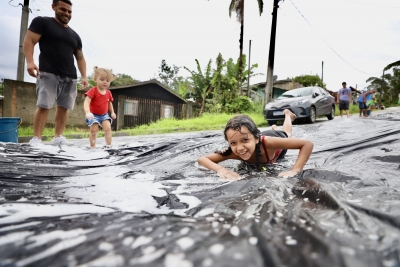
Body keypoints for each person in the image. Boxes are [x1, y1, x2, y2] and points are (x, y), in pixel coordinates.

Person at [23, 0, 88, 146]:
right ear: (54, 7)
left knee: (64, 107)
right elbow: (29, 40)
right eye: (63, 9)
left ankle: (58, 137)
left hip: (70, 76)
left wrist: (84, 76)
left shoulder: (74, 35)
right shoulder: (42, 22)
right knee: (44, 105)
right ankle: (37, 138)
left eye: (69, 11)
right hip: (48, 72)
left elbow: (80, 57)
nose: (66, 13)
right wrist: (30, 61)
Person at [198, 109, 314, 181]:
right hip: (255, 136)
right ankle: (274, 126)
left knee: (288, 134)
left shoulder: (268, 143)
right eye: (233, 143)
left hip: (275, 139)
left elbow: (307, 144)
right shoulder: (234, 152)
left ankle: (287, 115)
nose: (239, 148)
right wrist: (222, 170)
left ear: (256, 139)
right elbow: (202, 159)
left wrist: (295, 170)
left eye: (244, 140)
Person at [84, 67, 116, 149]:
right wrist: (87, 112)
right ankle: (92, 147)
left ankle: (109, 146)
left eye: (108, 80)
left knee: (108, 128)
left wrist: (112, 112)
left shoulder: (108, 93)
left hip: (104, 115)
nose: (105, 82)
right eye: (102, 79)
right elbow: (86, 102)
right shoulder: (93, 91)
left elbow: (109, 103)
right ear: (95, 79)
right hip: (93, 115)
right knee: (94, 130)